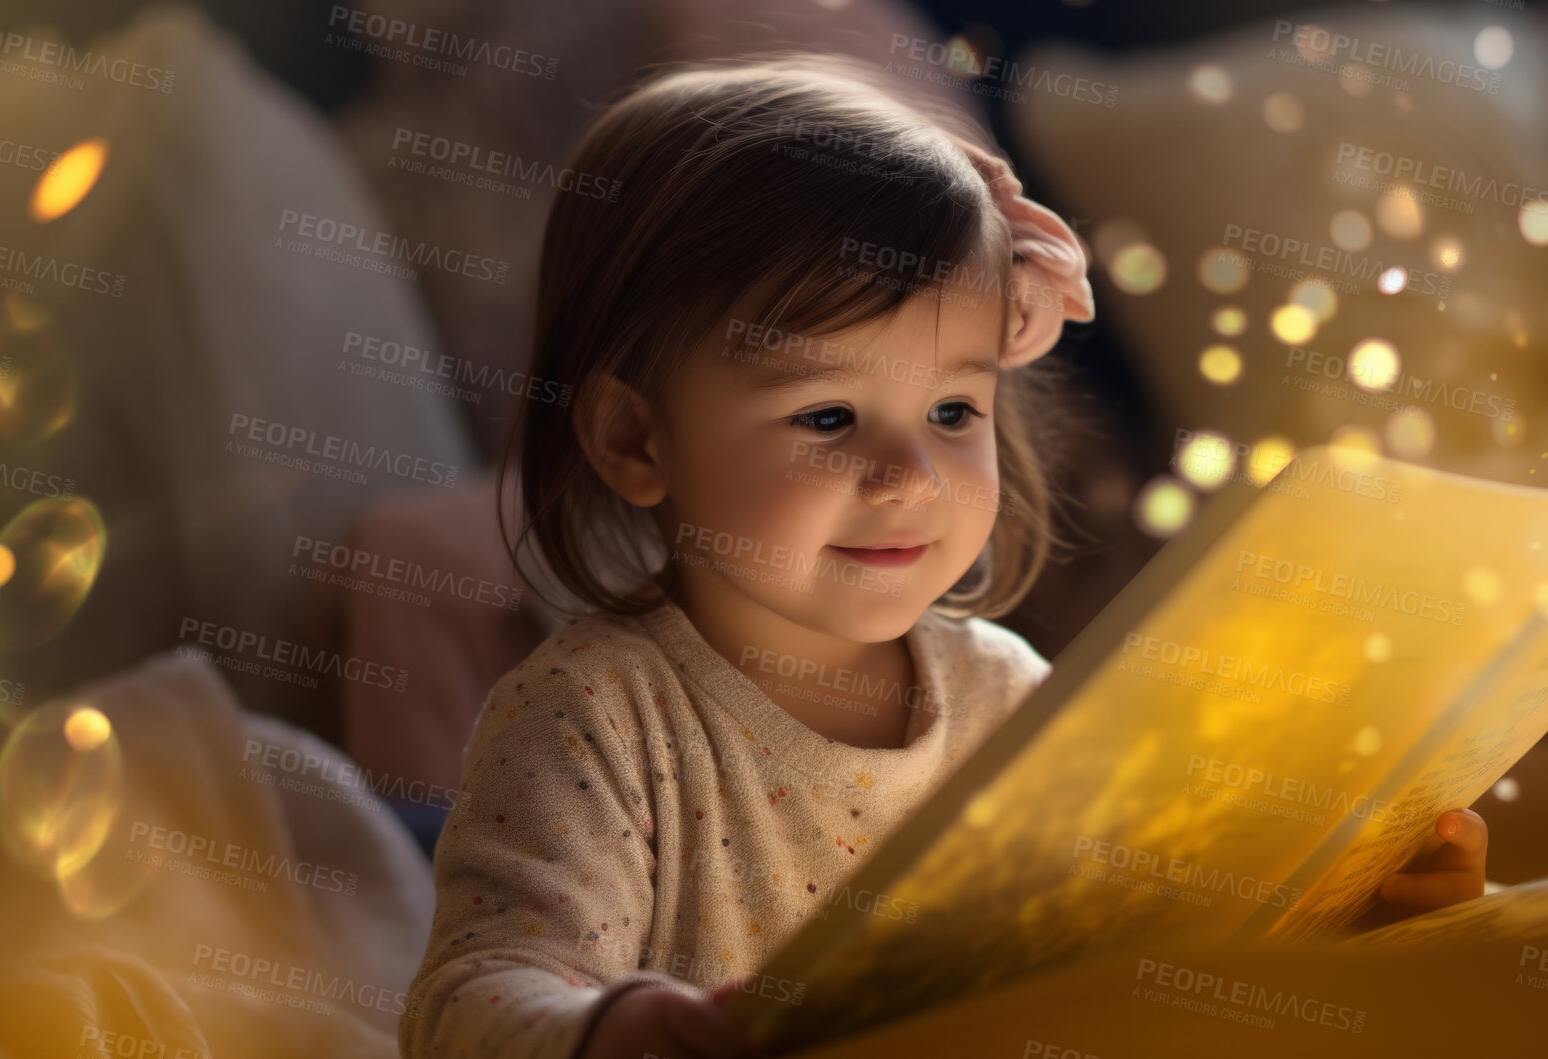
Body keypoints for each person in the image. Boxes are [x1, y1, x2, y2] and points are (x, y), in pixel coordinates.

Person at [400, 53, 1488, 1059]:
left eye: (954, 409)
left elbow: (1143, 953)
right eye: (826, 417)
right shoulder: (593, 716)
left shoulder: (1008, 700)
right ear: (637, 439)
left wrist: (1353, 903)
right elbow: (473, 992)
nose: (909, 475)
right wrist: (608, 1031)